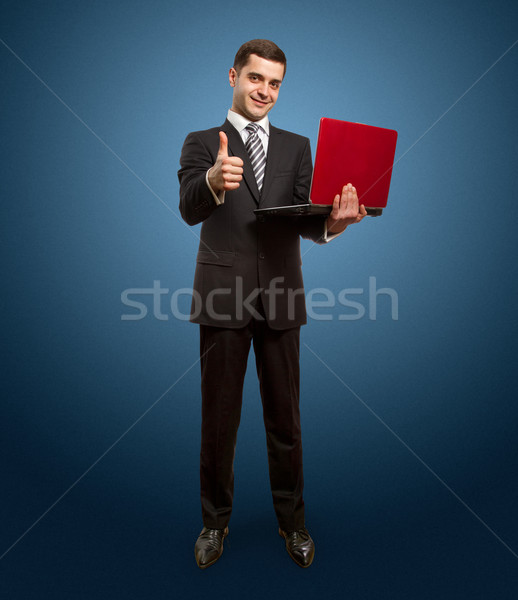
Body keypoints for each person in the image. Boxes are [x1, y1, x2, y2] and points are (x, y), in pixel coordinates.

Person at [178, 39, 366, 569]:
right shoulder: (200, 141)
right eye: (255, 78)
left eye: (275, 83)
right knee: (219, 421)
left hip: (282, 299)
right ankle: (214, 522)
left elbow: (306, 217)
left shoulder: (296, 146)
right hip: (222, 299)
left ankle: (294, 523)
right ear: (233, 75)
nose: (264, 91)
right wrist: (213, 181)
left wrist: (335, 222)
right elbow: (188, 206)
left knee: (287, 421)